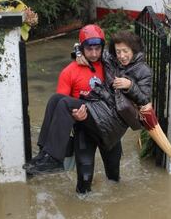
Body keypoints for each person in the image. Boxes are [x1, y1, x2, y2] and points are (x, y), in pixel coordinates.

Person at [26, 27, 152, 193]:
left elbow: (144, 99)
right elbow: (61, 112)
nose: (121, 55)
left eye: (125, 51)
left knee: (114, 179)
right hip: (87, 123)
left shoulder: (138, 69)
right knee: (56, 100)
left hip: (109, 121)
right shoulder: (107, 60)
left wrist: (130, 85)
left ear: (133, 50)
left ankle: (54, 158)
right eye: (118, 51)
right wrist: (78, 52)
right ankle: (46, 154)